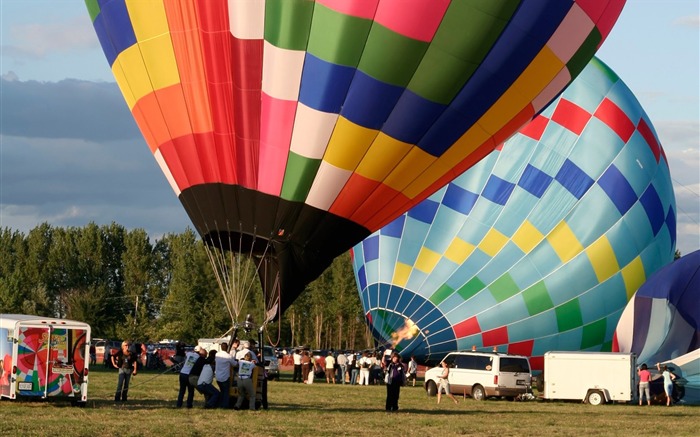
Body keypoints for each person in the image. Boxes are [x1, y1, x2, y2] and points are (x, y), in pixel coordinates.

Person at [215, 342, 238, 409]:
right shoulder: (228, 356)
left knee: (222, 391)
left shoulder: (217, 354)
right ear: (227, 347)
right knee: (226, 392)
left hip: (218, 376)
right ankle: (225, 405)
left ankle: (221, 404)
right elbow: (235, 364)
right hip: (225, 377)